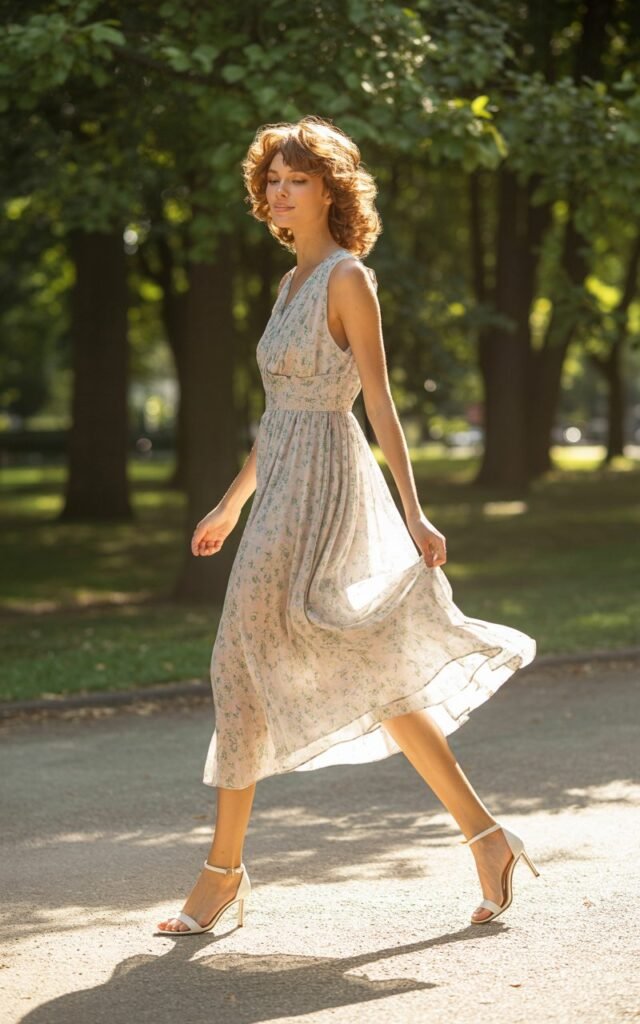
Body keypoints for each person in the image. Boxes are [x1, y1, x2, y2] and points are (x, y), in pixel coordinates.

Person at [155, 115, 539, 937]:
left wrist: (415, 510)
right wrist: (230, 503)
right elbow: (279, 415)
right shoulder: (289, 286)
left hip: (330, 491)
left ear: (330, 188)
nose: (278, 192)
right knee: (335, 667)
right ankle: (487, 837)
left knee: (244, 656)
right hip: (282, 485)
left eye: (295, 178)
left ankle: (222, 874)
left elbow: (378, 405)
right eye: (272, 180)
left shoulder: (344, 279)